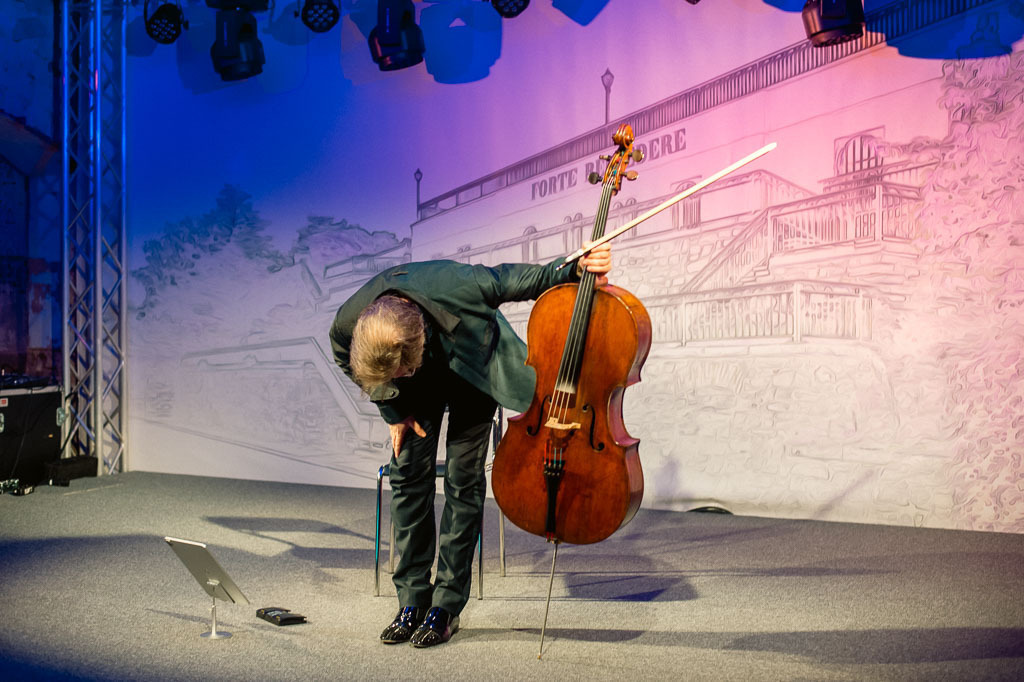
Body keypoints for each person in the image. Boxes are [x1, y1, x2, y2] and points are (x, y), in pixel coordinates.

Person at [328, 241, 612, 648]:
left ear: (418, 340)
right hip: (416, 388)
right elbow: (347, 357)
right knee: (407, 477)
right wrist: (393, 408)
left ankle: (446, 605)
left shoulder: (463, 286)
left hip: (473, 371)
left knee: (462, 481)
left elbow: (525, 279)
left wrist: (577, 268)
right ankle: (411, 599)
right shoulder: (349, 323)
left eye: (401, 371)